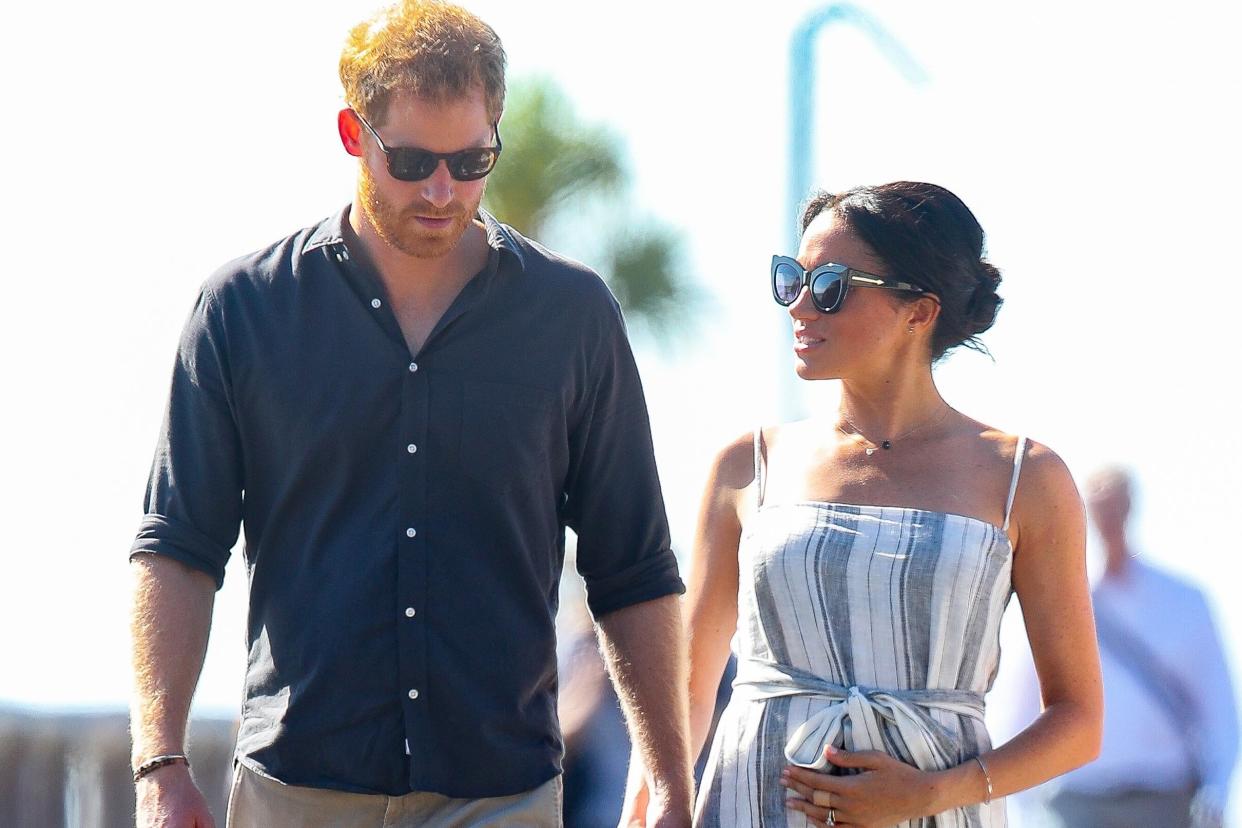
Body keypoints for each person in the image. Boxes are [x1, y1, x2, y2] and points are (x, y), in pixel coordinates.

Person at [127, 2, 695, 826]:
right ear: (354, 135)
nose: (442, 188)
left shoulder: (574, 317)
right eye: (414, 159)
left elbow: (633, 565)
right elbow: (177, 546)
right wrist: (160, 763)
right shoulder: (243, 311)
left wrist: (669, 776)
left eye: (471, 161)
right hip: (298, 786)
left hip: (502, 792)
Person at [621, 182, 1103, 827]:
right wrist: (654, 807)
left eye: (830, 287)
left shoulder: (1024, 479)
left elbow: (1078, 720)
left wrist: (933, 794)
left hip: (939, 811)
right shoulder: (750, 464)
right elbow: (685, 682)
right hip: (752, 806)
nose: (798, 306)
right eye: (791, 278)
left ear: (918, 311)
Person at [1037, 467, 1238, 828]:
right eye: (1100, 508)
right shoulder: (1062, 600)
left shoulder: (1185, 601)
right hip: (1079, 798)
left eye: (1116, 507)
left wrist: (1218, 790)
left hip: (1163, 798)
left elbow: (1219, 705)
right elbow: (1029, 701)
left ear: (1131, 508)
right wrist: (1016, 800)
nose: (1109, 520)